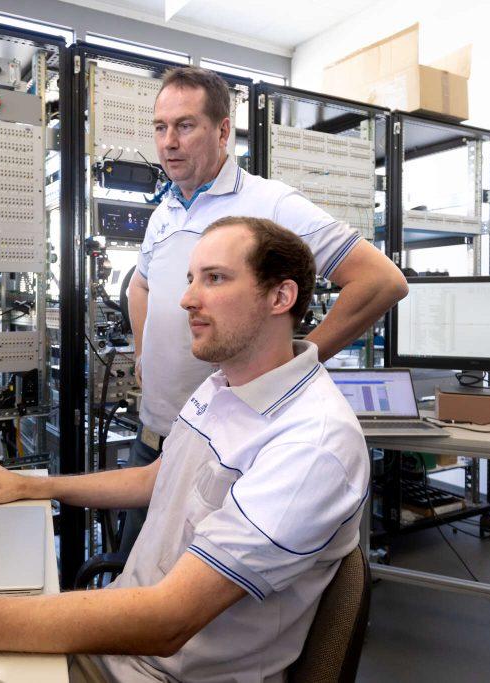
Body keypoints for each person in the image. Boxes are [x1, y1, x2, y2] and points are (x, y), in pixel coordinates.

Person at [0, 217, 371, 683]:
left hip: (156, 671)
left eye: (215, 278)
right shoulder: (227, 382)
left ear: (281, 296)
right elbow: (162, 476)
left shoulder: (312, 444)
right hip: (121, 646)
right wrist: (37, 487)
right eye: (189, 279)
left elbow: (169, 619)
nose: (185, 299)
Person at [119, 66, 406, 553]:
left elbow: (381, 280)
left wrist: (296, 363)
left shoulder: (270, 204)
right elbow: (140, 287)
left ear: (223, 131)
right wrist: (144, 352)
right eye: (160, 127)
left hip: (227, 449)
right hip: (156, 438)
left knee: (190, 611)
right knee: (135, 576)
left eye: (185, 126)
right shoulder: (164, 212)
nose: (169, 141)